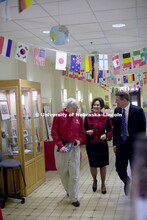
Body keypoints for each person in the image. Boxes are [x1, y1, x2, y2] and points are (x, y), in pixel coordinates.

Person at [51, 98, 85, 207]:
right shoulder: (59, 116)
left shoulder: (78, 117)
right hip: (61, 149)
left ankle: (73, 197)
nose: (77, 109)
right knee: (63, 172)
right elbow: (54, 132)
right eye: (75, 108)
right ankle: (69, 190)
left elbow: (82, 132)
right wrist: (60, 145)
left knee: (74, 174)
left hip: (74, 148)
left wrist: (79, 140)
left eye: (77, 108)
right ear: (68, 107)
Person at [113, 91, 146, 195]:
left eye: (117, 100)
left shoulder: (138, 111)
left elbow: (142, 130)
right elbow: (116, 129)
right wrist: (114, 143)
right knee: (119, 168)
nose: (115, 101)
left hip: (133, 144)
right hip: (121, 144)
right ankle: (128, 182)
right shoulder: (117, 110)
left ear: (124, 100)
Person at [84, 97, 113, 194]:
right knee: (93, 165)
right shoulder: (87, 117)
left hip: (102, 145)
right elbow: (82, 130)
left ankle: (103, 184)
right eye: (94, 105)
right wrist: (86, 132)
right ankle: (95, 180)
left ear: (101, 106)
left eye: (98, 105)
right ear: (92, 106)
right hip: (91, 145)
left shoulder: (106, 117)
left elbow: (110, 130)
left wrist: (106, 135)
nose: (96, 106)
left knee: (102, 165)